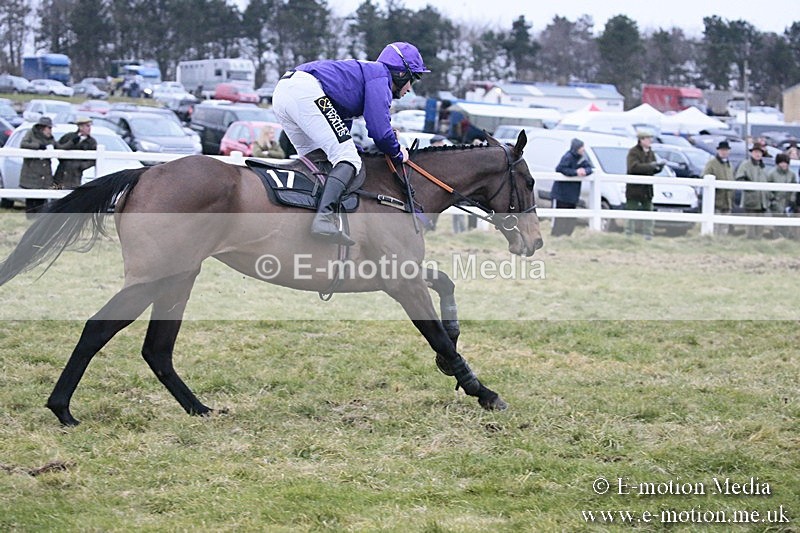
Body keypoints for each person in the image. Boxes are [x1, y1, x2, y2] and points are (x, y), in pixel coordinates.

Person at [272, 41, 429, 245]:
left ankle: (302, 219)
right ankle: (323, 219)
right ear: (401, 73)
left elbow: (340, 125)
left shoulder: (367, 75)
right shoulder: (381, 77)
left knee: (318, 161)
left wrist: (357, 148)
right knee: (347, 158)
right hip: (304, 91)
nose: (410, 89)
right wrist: (397, 152)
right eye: (413, 79)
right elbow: (379, 131)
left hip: (284, 92)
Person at [625, 131, 663, 239]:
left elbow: (652, 169)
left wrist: (659, 167)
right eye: (647, 138)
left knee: (649, 212)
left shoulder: (651, 152)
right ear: (641, 140)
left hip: (647, 189)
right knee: (631, 212)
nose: (650, 140)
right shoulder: (633, 152)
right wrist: (650, 166)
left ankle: (648, 234)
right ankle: (629, 234)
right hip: (634, 189)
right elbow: (633, 168)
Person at [551, 138, 592, 237]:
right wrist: (575, 172)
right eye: (581, 147)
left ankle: (567, 234)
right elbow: (560, 168)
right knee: (560, 217)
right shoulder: (567, 157)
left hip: (573, 194)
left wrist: (585, 171)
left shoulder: (581, 158)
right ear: (576, 148)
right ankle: (557, 235)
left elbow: (589, 168)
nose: (583, 149)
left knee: (571, 216)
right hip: (562, 193)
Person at [20, 116, 56, 217]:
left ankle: (39, 220)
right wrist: (38, 146)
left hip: (44, 175)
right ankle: (30, 219)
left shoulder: (50, 138)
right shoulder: (30, 134)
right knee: (31, 200)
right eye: (49, 128)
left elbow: (56, 146)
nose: (50, 130)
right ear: (42, 127)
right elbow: (23, 144)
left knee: (42, 201)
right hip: (31, 173)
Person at [735, 142, 769, 239]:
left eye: (759, 152)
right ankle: (750, 240)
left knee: (760, 225)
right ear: (752, 153)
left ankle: (758, 240)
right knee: (751, 224)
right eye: (756, 152)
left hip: (762, 201)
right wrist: (749, 186)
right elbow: (739, 178)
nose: (758, 154)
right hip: (750, 200)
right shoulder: (745, 165)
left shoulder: (763, 167)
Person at [701, 140, 734, 236]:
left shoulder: (729, 165)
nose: (724, 152)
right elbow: (704, 177)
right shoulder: (712, 163)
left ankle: (722, 241)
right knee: (714, 225)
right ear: (718, 151)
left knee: (724, 225)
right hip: (715, 201)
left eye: (726, 150)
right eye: (722, 150)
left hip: (727, 201)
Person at [54, 117, 97, 189]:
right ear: (80, 127)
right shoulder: (69, 136)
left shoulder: (92, 142)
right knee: (57, 190)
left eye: (90, 126)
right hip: (62, 171)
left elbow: (93, 159)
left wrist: (82, 166)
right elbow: (58, 148)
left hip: (76, 175)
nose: (89, 128)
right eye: (87, 126)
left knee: (73, 191)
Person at [767, 152, 796, 238]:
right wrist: (772, 199)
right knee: (776, 224)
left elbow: (794, 187)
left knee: (787, 225)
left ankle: (786, 240)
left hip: (787, 204)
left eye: (785, 162)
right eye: (781, 162)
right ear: (778, 163)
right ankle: (776, 239)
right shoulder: (771, 173)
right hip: (776, 203)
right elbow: (767, 189)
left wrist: (792, 199)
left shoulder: (792, 174)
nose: (784, 165)